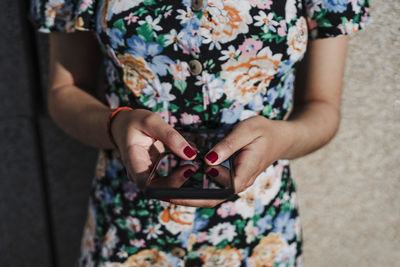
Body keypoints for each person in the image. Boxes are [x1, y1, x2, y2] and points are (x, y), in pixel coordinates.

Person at [30, 0, 370, 266]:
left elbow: (322, 106)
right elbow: (66, 90)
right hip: (128, 225)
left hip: (257, 230)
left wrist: (281, 138)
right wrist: (116, 125)